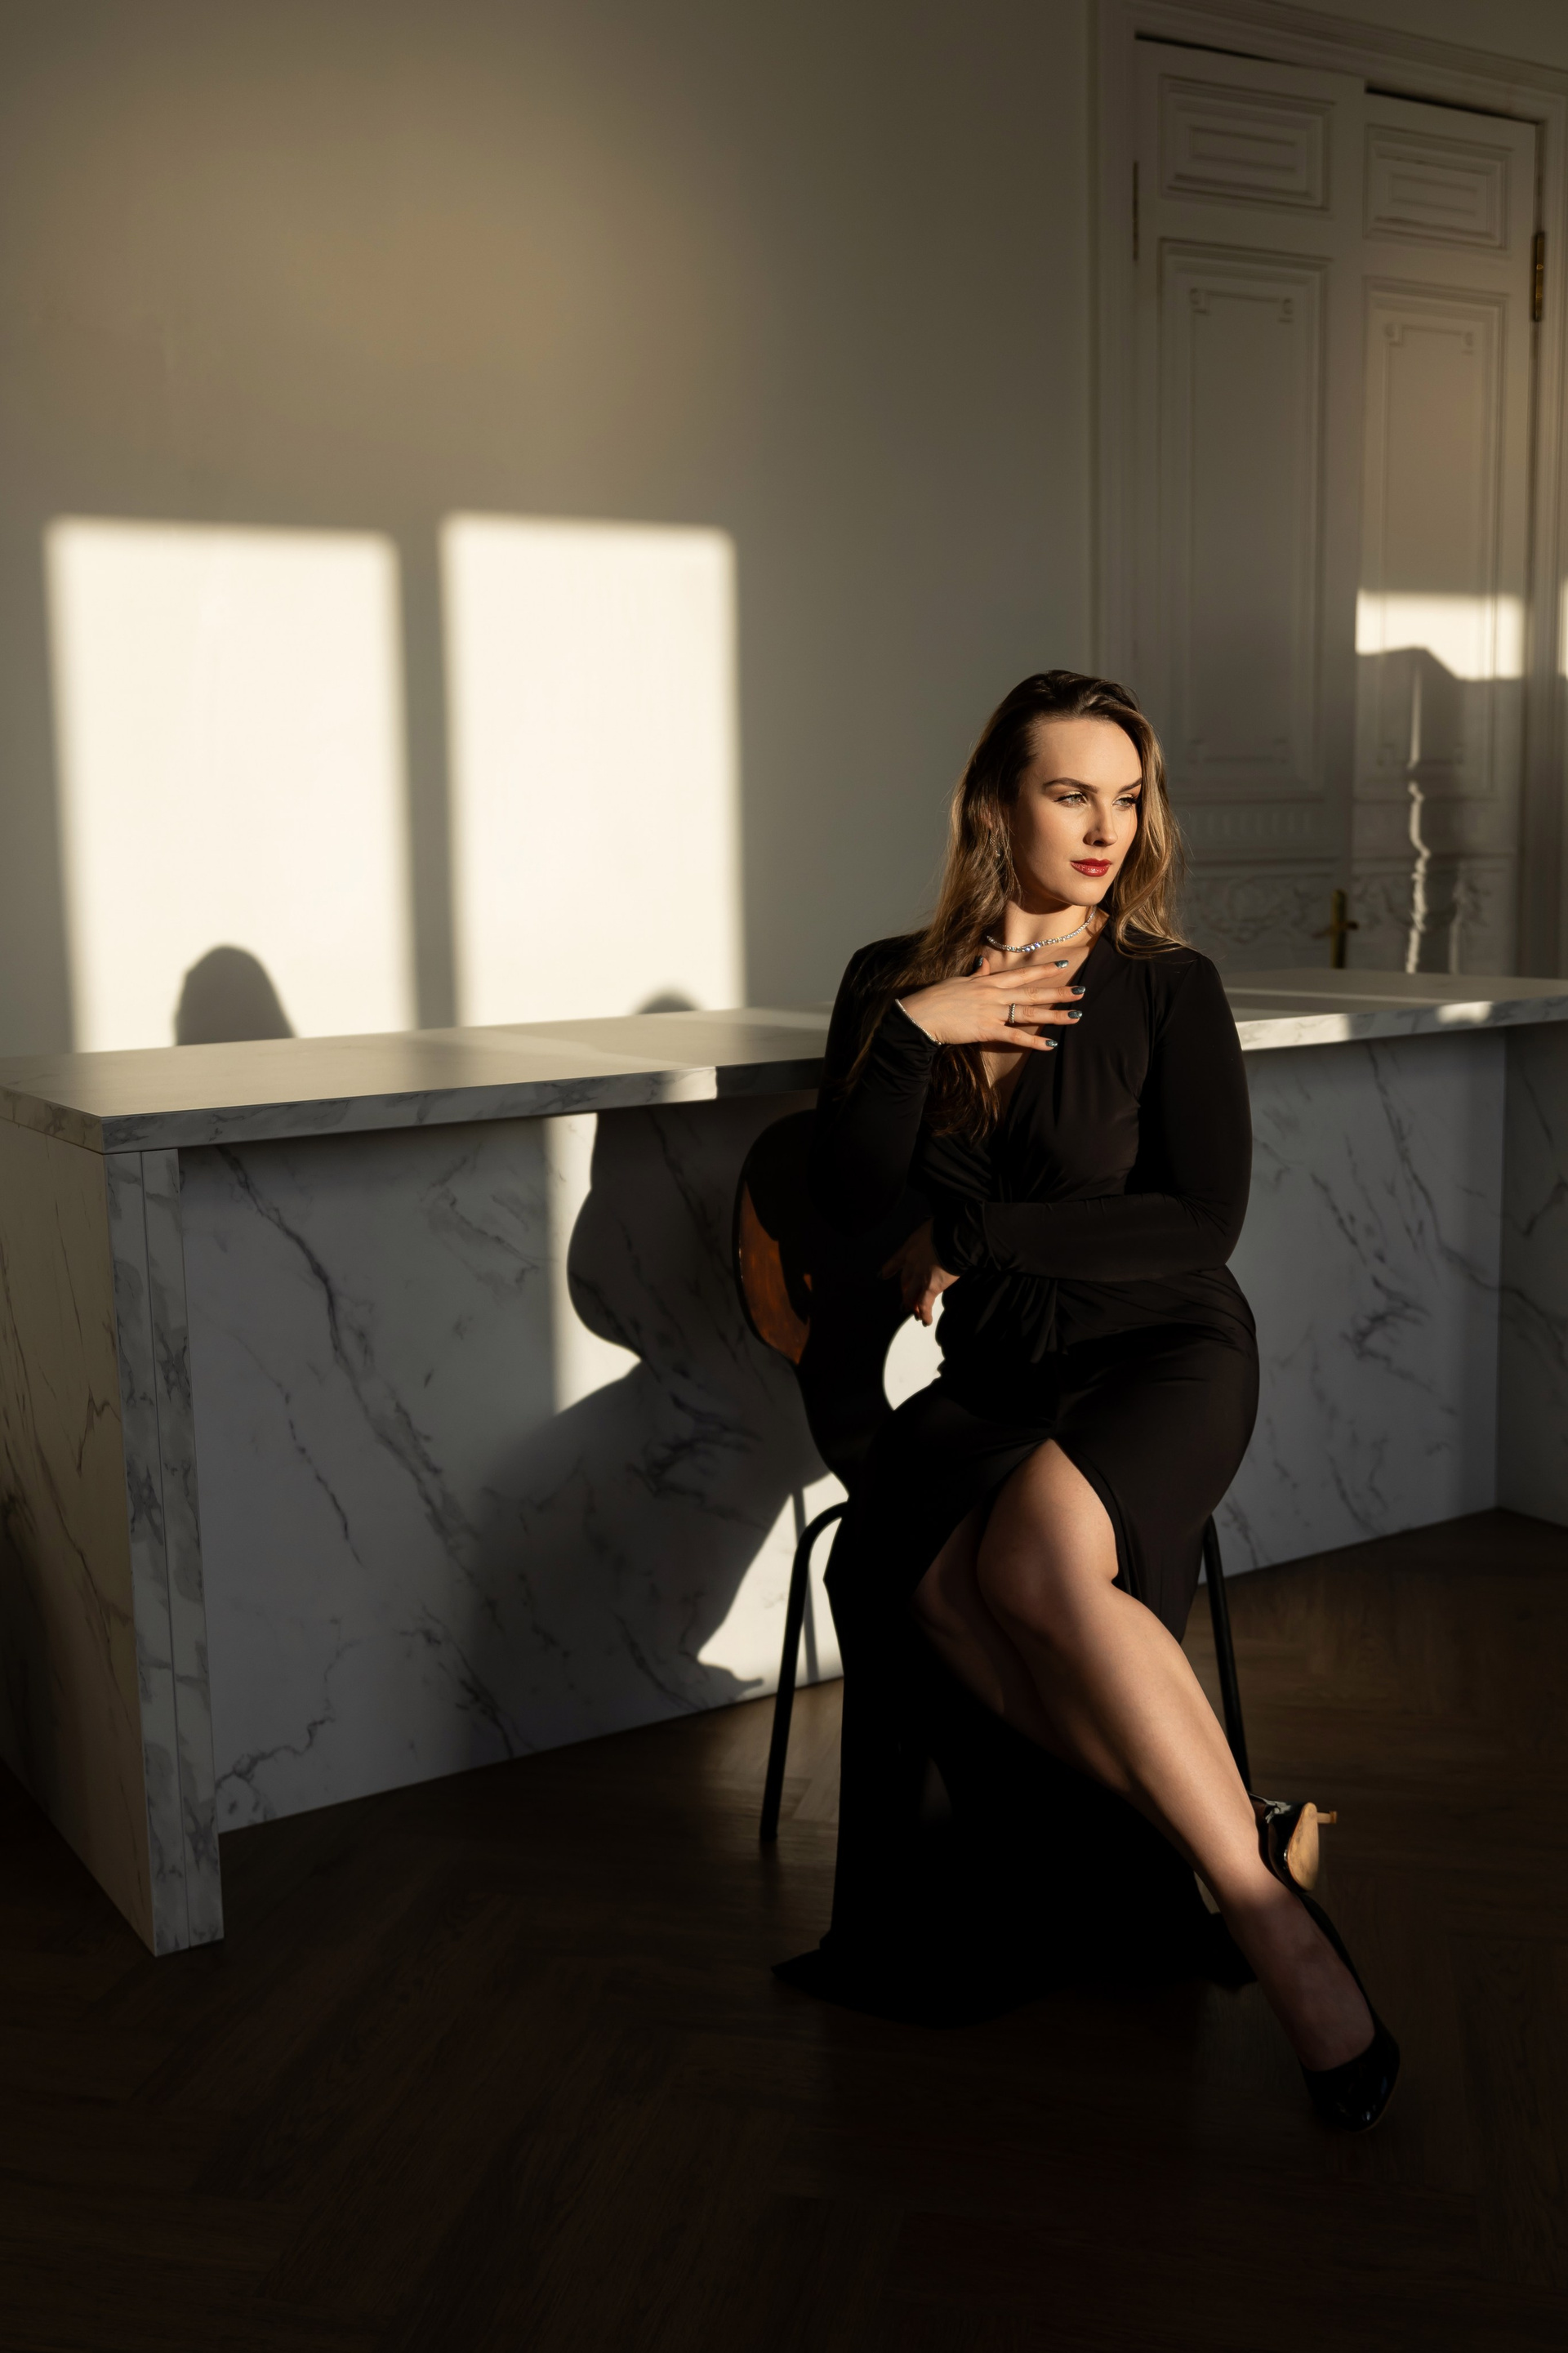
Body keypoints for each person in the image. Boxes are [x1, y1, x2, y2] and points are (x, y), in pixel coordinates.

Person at [791, 670, 1397, 2132]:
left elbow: (1199, 1222)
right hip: (1001, 1375)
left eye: (1128, 797)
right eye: (1072, 792)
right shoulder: (889, 985)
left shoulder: (1168, 987)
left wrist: (978, 1230)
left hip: (1163, 1353)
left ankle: (1280, 1935)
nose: (1106, 827)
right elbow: (850, 1207)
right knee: (923, 1581)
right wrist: (918, 1030)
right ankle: (1229, 1829)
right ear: (995, 805)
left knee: (1032, 1563)